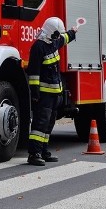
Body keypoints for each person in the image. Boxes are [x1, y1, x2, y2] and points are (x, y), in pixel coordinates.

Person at [27, 16, 77, 166]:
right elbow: (33, 72)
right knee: (40, 125)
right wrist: (35, 93)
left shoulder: (53, 43)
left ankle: (43, 151)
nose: (57, 37)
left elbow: (64, 38)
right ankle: (34, 154)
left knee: (48, 124)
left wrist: (73, 32)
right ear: (50, 31)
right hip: (44, 95)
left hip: (55, 95)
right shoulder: (38, 47)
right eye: (56, 33)